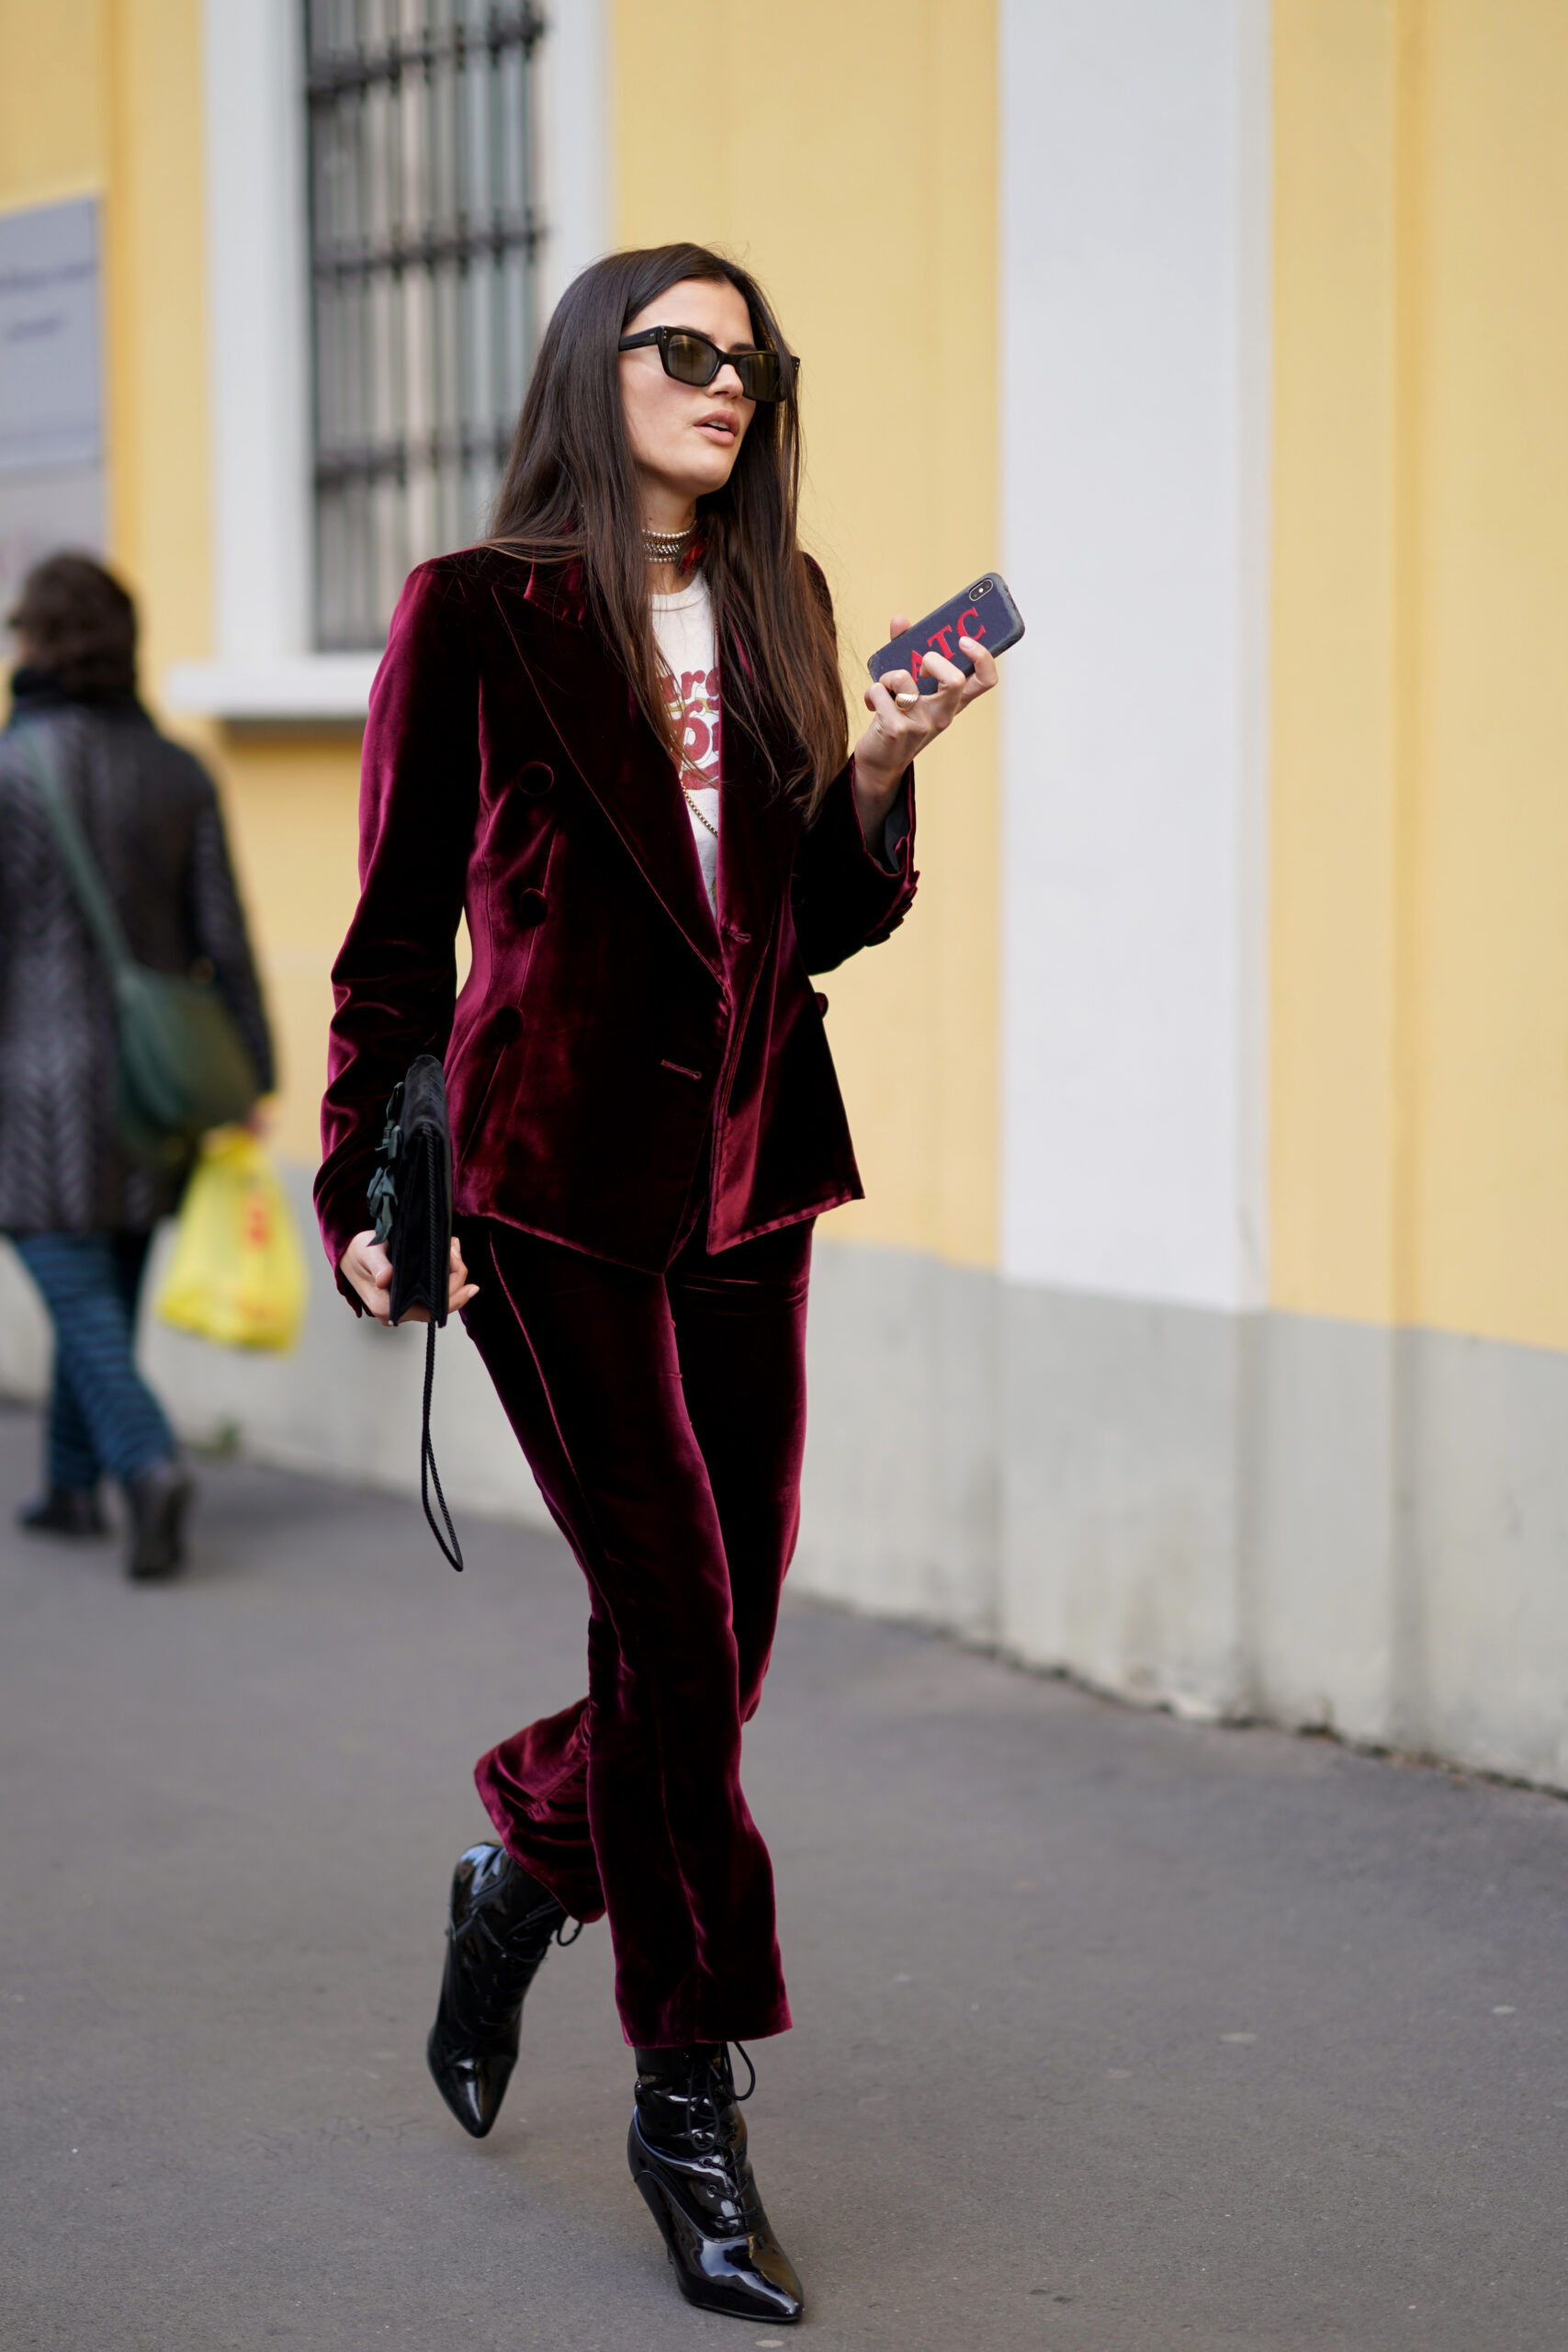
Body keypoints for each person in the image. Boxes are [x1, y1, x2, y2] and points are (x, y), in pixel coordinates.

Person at [315, 243, 997, 2325]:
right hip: (544, 1193)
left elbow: (811, 924)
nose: (723, 382)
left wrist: (878, 767)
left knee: (719, 1625)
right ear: (592, 366)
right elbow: (393, 930)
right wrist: (365, 1177)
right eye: (680, 348)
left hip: (748, 1179)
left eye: (749, 357)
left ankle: (523, 1859)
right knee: (681, 1624)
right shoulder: (479, 610)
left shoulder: (785, 607)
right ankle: (684, 2092)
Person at [0, 553, 274, 1578]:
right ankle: (73, 1489)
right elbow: (227, 937)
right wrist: (250, 1075)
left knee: (75, 1286)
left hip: (29, 1077)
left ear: (34, 642)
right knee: (107, 1272)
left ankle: (147, 1462)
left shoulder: (8, 767)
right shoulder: (179, 770)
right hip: (155, 1082)